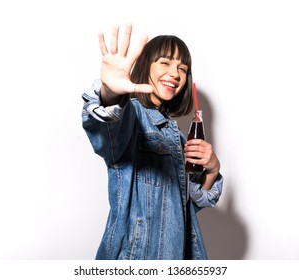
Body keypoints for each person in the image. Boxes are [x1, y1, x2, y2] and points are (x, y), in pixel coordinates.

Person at [81, 23, 223, 260]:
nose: (175, 73)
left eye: (183, 68)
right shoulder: (132, 114)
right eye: (165, 62)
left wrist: (213, 170)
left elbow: (181, 210)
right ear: (146, 65)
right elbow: (106, 132)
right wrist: (110, 93)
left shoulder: (176, 135)